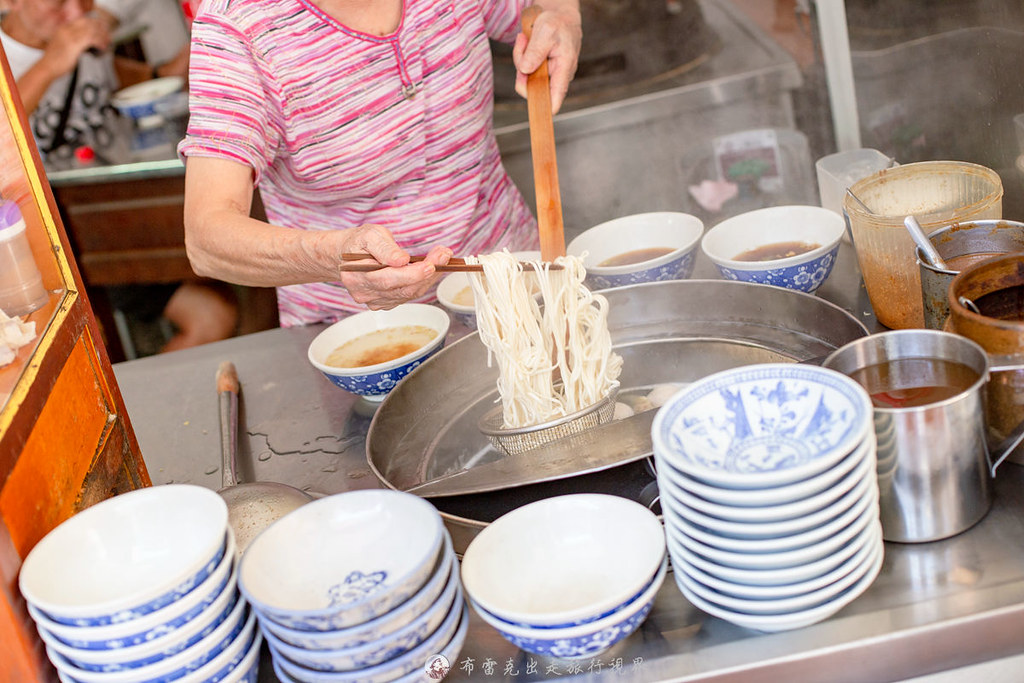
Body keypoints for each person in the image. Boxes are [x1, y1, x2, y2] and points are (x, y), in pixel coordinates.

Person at [180, 0, 582, 327]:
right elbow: (206, 237)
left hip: (520, 287)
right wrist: (337, 256)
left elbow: (538, 8)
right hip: (365, 337)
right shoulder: (237, 27)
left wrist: (562, 17)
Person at [1, 0, 238, 354]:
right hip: (54, 239)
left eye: (84, 2)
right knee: (207, 314)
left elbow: (130, 82)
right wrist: (51, 64)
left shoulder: (84, 41)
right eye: (60, 4)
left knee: (227, 294)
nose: (78, 14)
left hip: (118, 213)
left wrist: (186, 54)